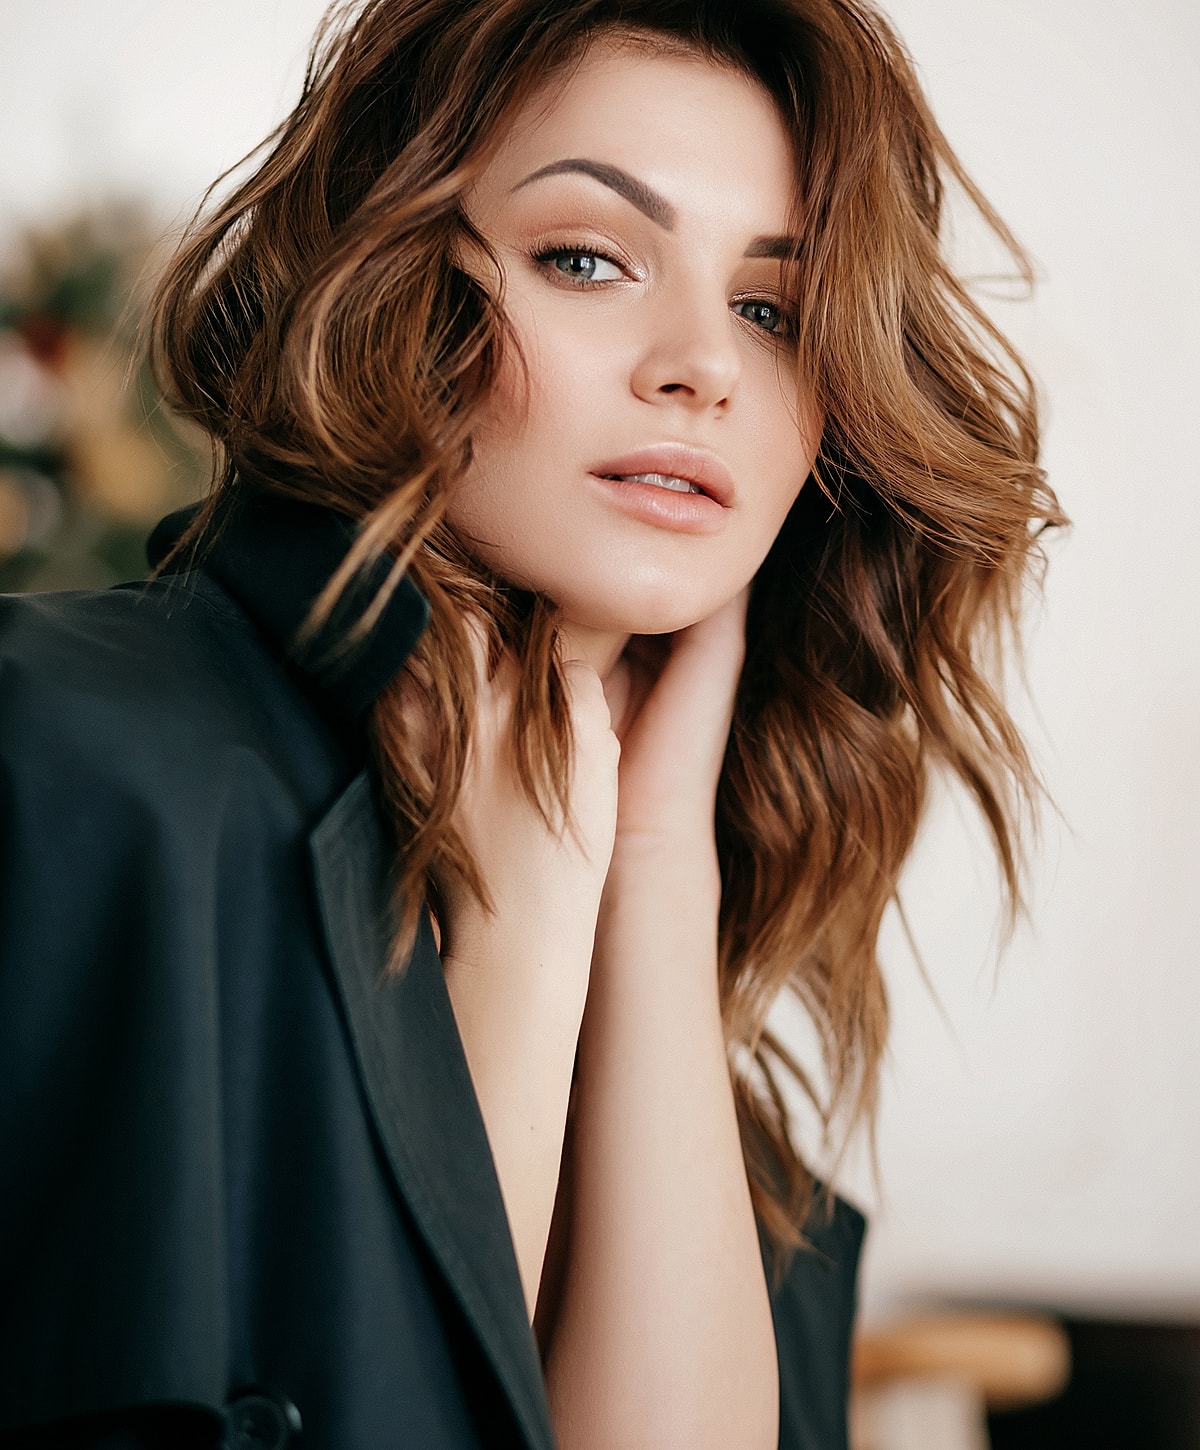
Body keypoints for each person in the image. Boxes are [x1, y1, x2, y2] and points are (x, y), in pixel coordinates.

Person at [0, 1, 1064, 1447]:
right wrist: (512, 951)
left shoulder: (692, 1033)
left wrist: (654, 864)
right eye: (588, 258)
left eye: (772, 307)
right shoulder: (70, 761)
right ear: (383, 284)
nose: (705, 363)